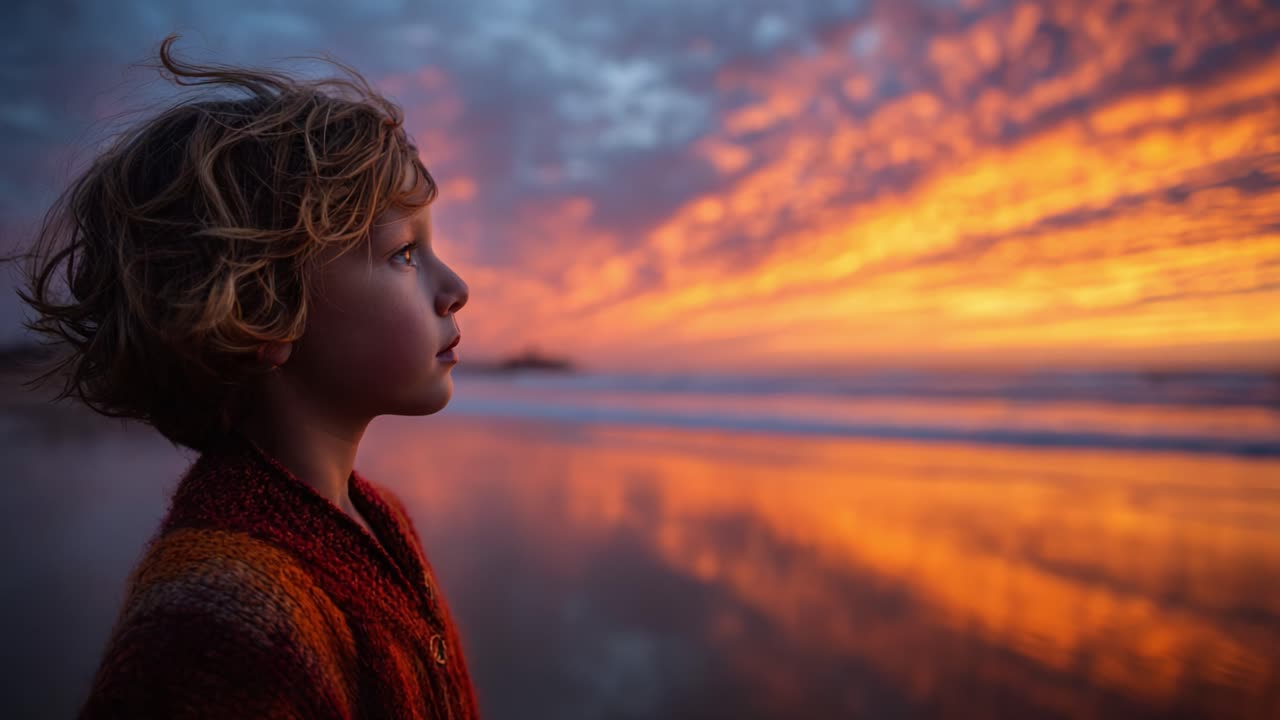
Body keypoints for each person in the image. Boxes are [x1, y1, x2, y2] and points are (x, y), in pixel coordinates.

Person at [9, 34, 479, 719]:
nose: (457, 288)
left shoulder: (379, 519)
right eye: (405, 253)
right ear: (262, 309)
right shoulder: (217, 622)